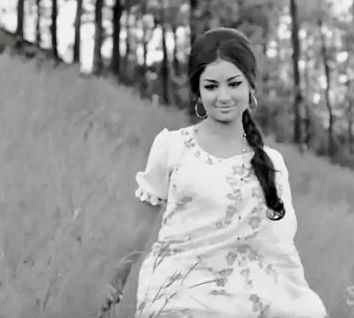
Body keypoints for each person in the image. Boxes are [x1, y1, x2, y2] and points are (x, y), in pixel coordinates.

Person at [102, 27, 327, 318]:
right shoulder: (172, 147)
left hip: (247, 299)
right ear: (198, 91)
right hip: (178, 297)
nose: (223, 97)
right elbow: (137, 227)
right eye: (211, 86)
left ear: (251, 86)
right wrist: (112, 284)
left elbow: (278, 249)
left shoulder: (271, 163)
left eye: (234, 84)